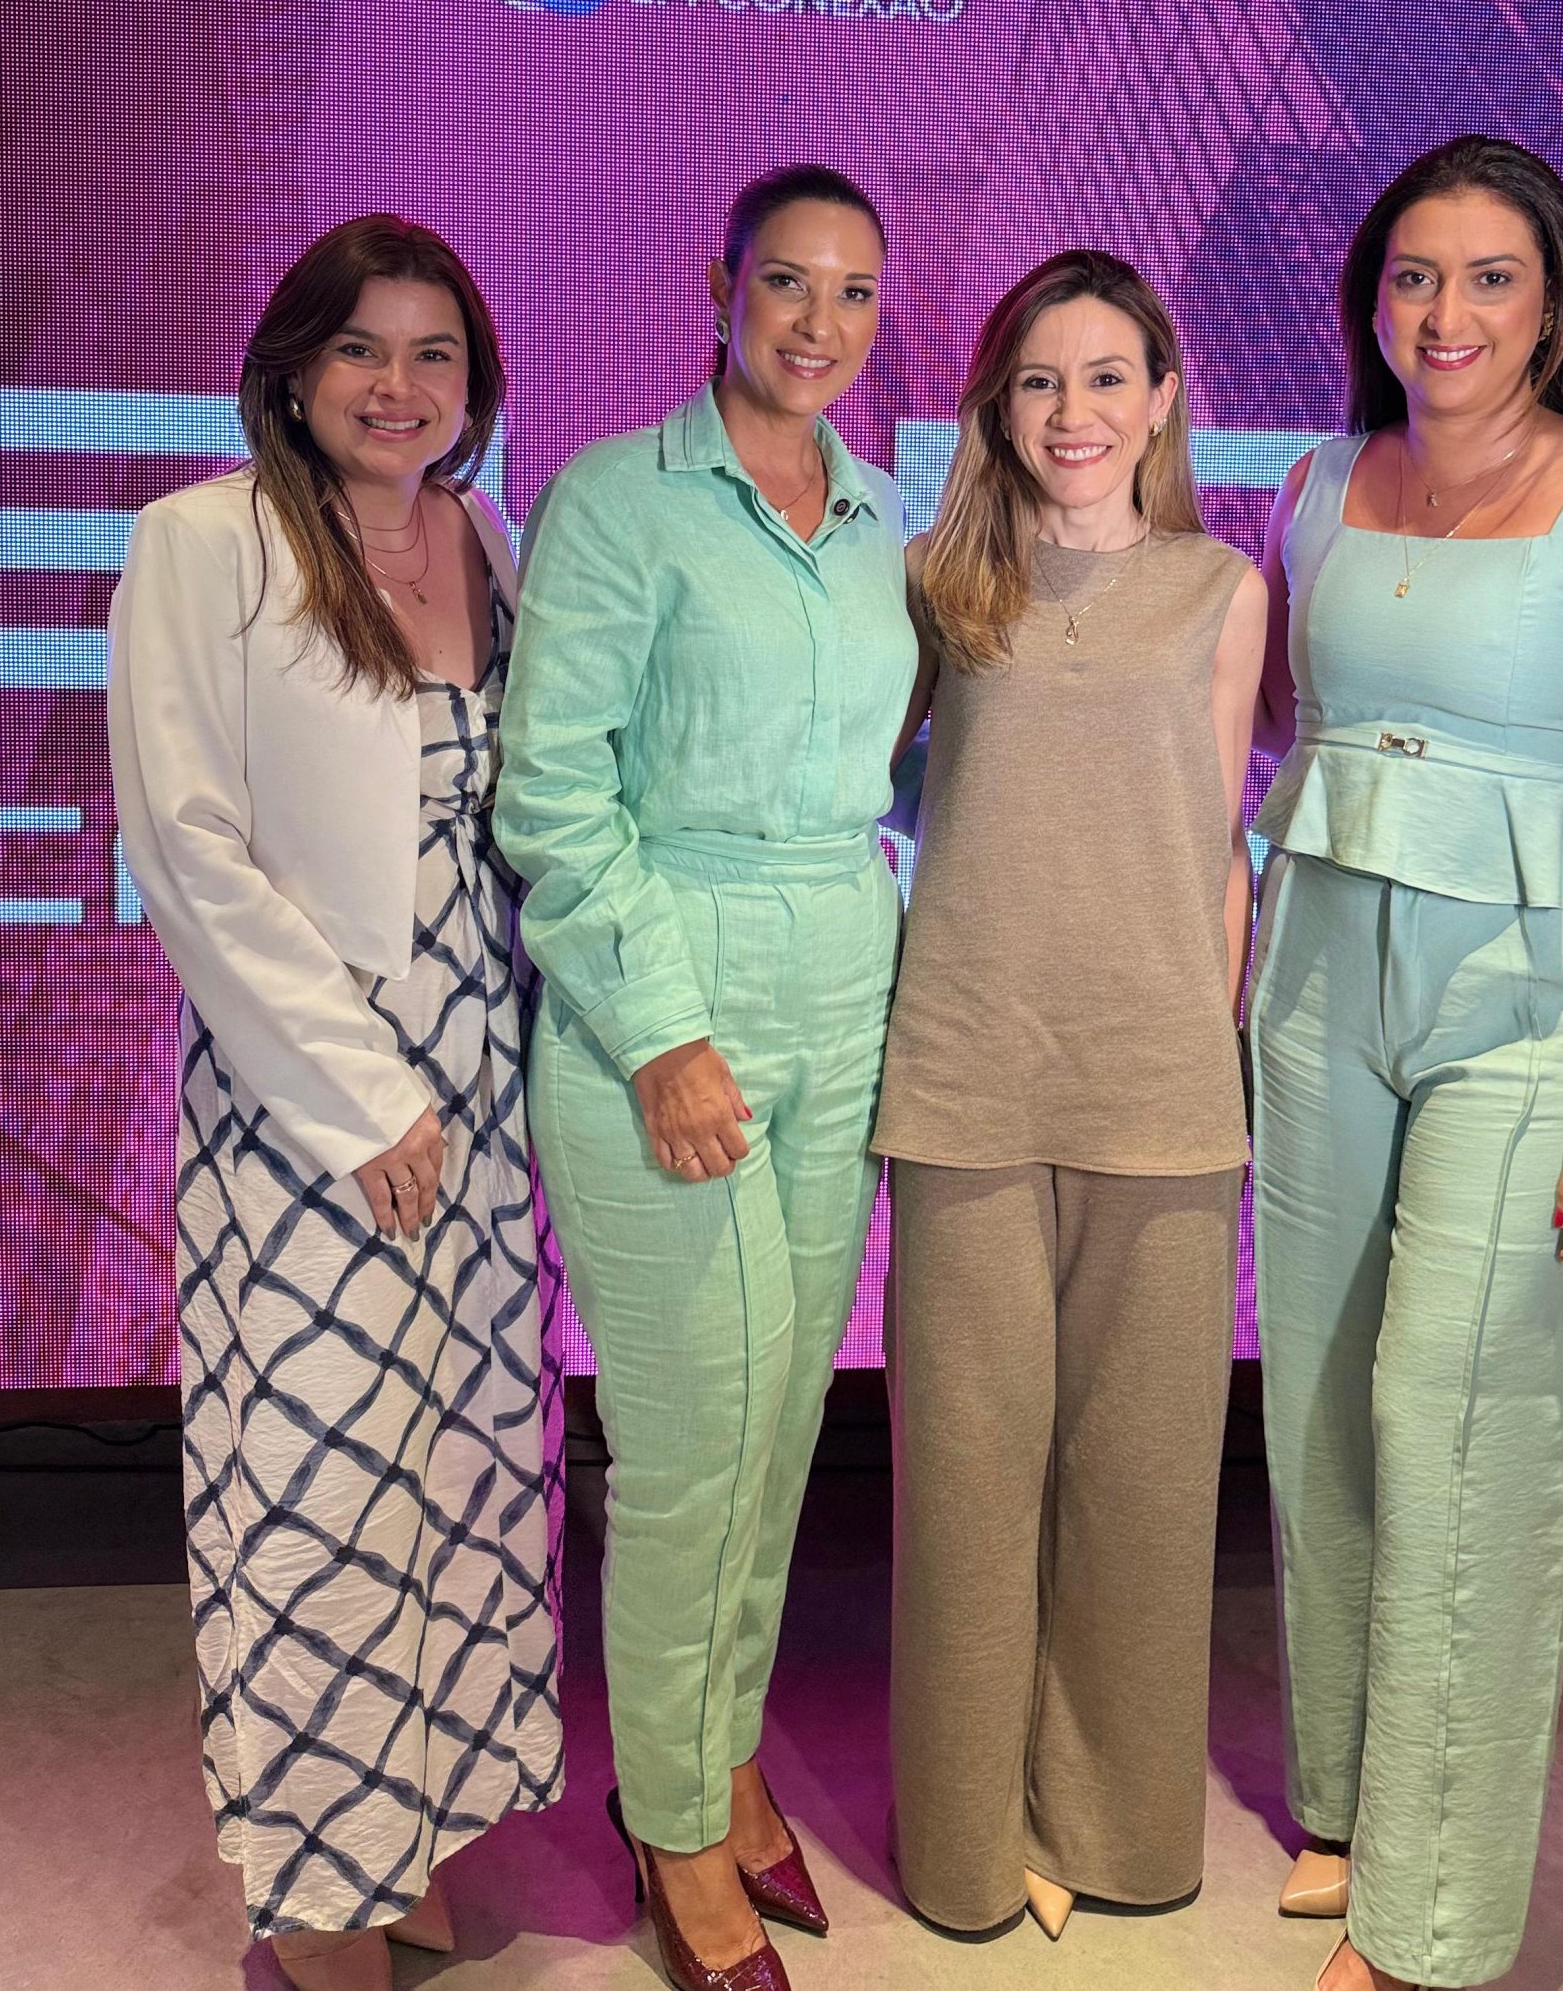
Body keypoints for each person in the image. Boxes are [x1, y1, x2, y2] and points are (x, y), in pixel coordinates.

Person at [1250, 136, 1563, 1991]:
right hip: (1312, 987)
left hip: (1532, 1014)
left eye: (1487, 279)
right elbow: (1276, 731)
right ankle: (1350, 1802)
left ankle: (1432, 1930)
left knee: (1458, 1423)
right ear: (1371, 299)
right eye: (1413, 276)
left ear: (1554, 305)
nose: (1443, 314)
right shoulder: (1315, 485)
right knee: (1318, 1405)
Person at [107, 216, 564, 1991]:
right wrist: (363, 1097)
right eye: (362, 348)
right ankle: (317, 1892)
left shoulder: (485, 537)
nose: (398, 384)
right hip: (310, 1096)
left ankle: (413, 1835)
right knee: (318, 1485)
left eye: (435, 352)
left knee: (458, 1475)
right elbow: (187, 846)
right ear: (293, 366)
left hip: (485, 1078)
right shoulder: (202, 543)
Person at [495, 164, 914, 1991]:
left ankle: (723, 1757)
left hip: (845, 971)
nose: (821, 322)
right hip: (664, 984)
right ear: (721, 285)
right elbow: (553, 792)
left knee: (784, 1424)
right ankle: (669, 1820)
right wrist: (662, 1033)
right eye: (789, 282)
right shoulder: (617, 498)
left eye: (856, 293)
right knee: (688, 1450)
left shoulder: (884, 513)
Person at [875, 251, 1265, 1942]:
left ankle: (1115, 1829)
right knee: (967, 1486)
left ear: (1163, 399)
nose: (1073, 412)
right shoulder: (934, 583)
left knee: (1144, 1486)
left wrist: (1207, 1036)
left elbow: (1219, 848)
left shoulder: (1224, 590)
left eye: (1108, 377)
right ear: (996, 404)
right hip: (965, 1074)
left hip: (1161, 1087)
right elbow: (867, 788)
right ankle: (968, 1846)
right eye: (1040, 380)